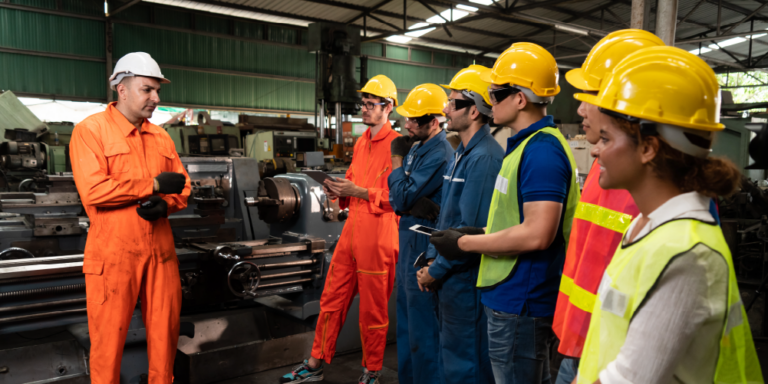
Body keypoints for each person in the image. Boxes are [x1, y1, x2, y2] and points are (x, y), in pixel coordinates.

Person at [571, 45, 763, 384]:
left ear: (648, 148)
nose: (596, 149)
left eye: (606, 137)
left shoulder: (686, 255)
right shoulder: (646, 226)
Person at [429, 43, 581, 384]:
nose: (489, 102)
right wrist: (479, 233)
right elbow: (514, 219)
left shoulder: (542, 150)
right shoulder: (523, 146)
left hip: (521, 301)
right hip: (510, 295)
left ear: (521, 98)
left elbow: (538, 233)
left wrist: (465, 243)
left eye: (495, 94)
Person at [551, 29, 663, 384]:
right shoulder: (608, 166)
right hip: (577, 340)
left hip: (614, 361)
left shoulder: (657, 187)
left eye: (594, 95)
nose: (581, 108)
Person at [70, 52, 190, 384]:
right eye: (147, 90)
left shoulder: (161, 136)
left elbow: (182, 184)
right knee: (108, 342)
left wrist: (167, 205)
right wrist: (151, 185)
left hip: (160, 251)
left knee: (165, 337)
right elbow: (94, 190)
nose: (156, 98)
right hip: (113, 253)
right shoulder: (90, 131)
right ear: (122, 89)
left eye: (157, 91)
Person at [281, 75, 401, 384]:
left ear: (388, 107)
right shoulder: (361, 142)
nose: (364, 109)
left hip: (379, 236)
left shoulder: (398, 146)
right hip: (351, 234)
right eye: (363, 104)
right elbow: (352, 181)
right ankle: (315, 363)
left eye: (371, 104)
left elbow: (400, 200)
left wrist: (358, 192)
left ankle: (372, 371)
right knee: (331, 300)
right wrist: (338, 191)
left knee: (373, 312)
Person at [415, 65, 501, 384]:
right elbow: (446, 220)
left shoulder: (485, 159)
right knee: (450, 359)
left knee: (467, 365)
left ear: (475, 110)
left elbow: (469, 231)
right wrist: (429, 260)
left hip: (465, 280)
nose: (445, 109)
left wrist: (436, 270)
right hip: (448, 276)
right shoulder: (459, 154)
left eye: (453, 103)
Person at [387, 83, 453, 384]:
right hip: (407, 236)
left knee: (424, 327)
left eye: (415, 119)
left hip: (423, 243)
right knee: (407, 324)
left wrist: (397, 163)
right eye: (408, 117)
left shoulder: (439, 152)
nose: (407, 124)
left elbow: (399, 198)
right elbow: (399, 201)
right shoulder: (417, 147)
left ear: (435, 121)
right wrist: (407, 201)